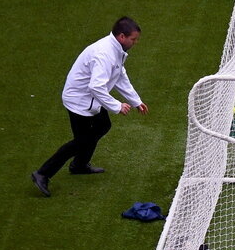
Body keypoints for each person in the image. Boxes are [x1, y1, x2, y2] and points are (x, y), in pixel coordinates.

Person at [31, 16, 149, 197]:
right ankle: (43, 173)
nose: (135, 42)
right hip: (80, 102)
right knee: (81, 141)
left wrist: (136, 101)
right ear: (122, 36)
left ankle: (79, 164)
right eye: (133, 39)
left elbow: (119, 75)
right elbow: (96, 86)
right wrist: (117, 106)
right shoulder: (104, 54)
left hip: (92, 99)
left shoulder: (115, 50)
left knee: (103, 125)